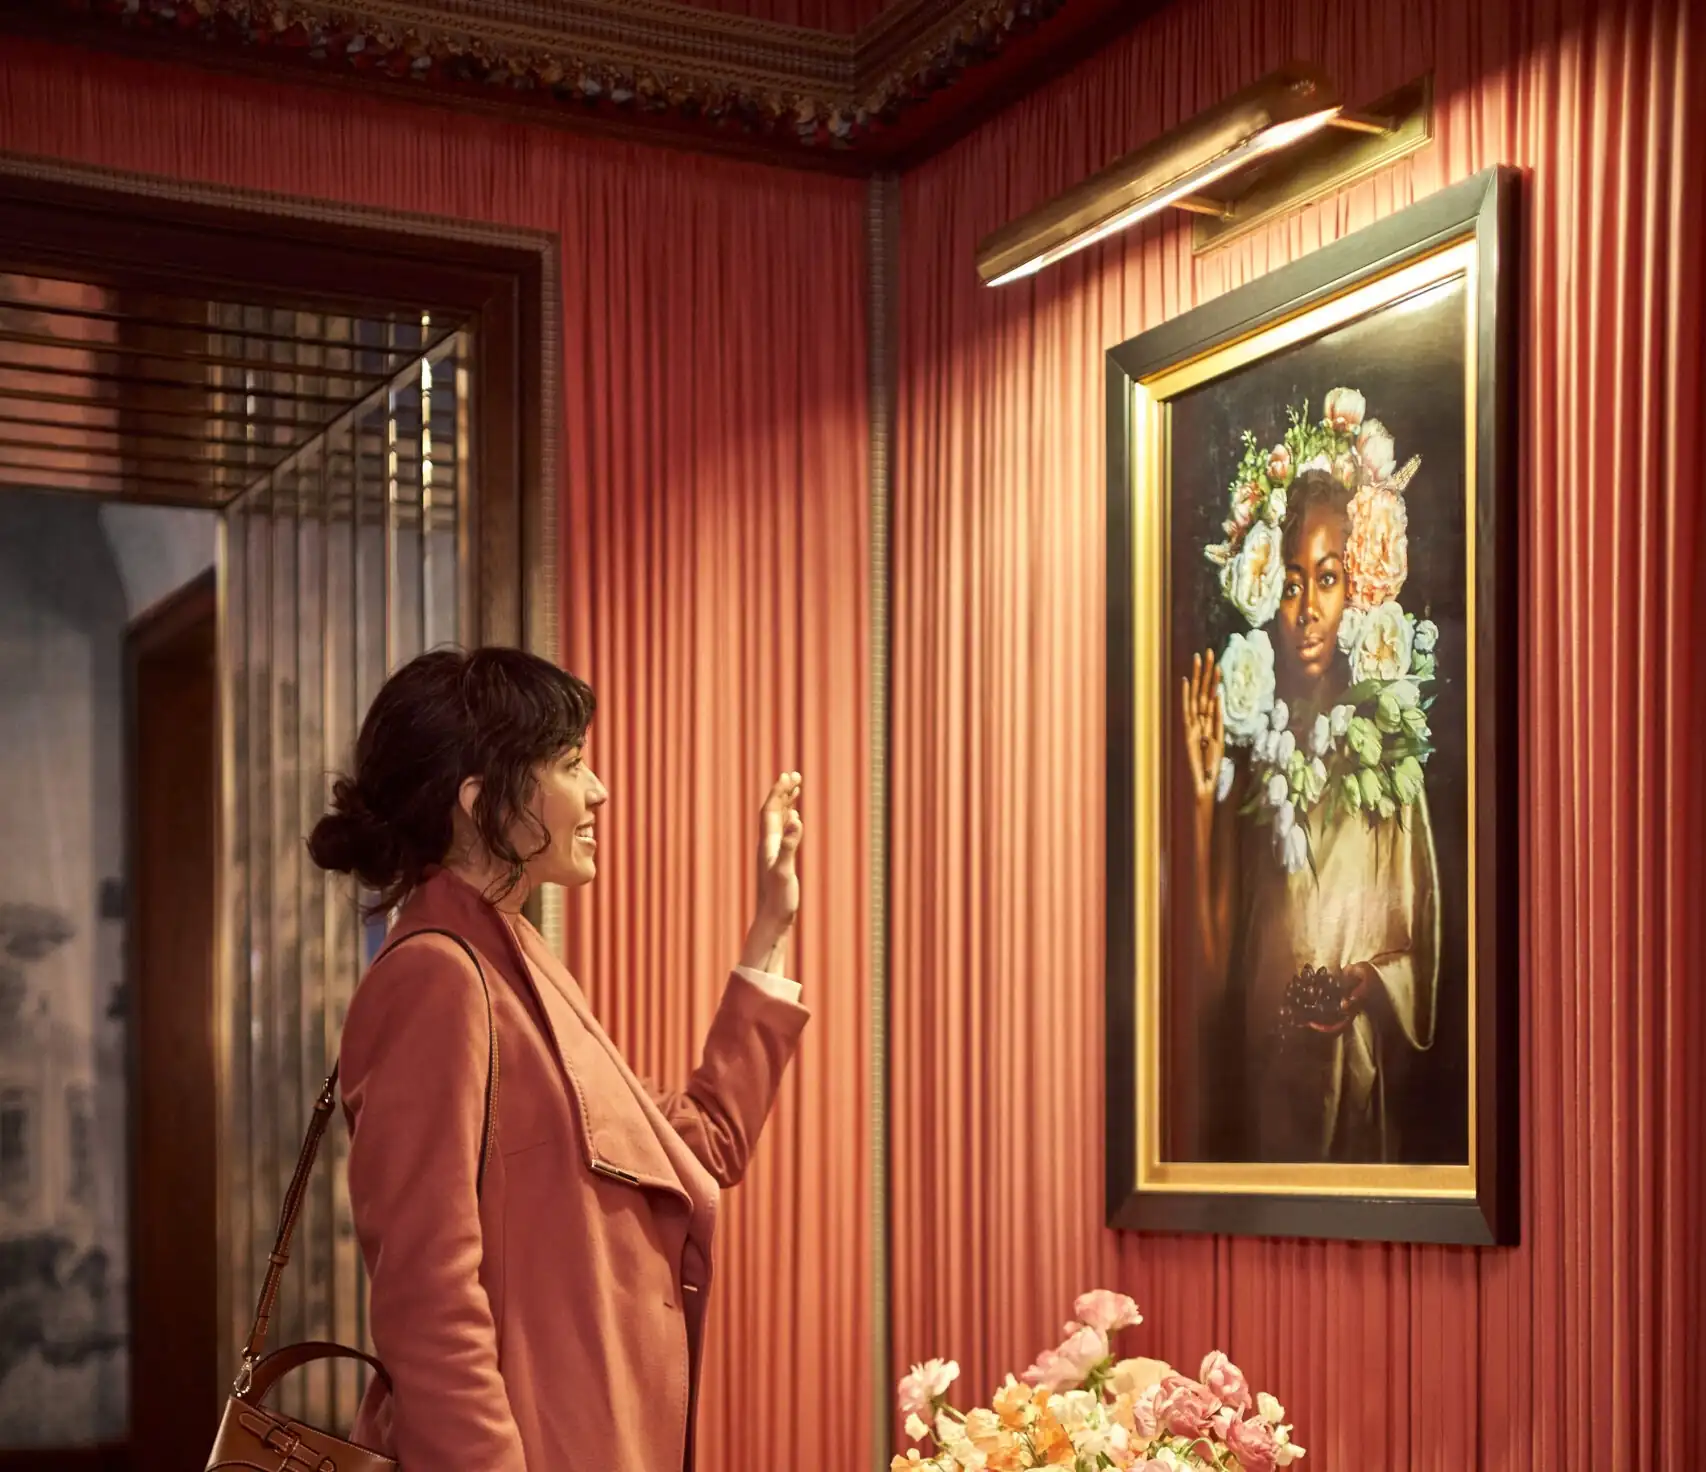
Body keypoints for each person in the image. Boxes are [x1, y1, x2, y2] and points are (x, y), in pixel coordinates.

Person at [305, 645, 808, 1472]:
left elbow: (700, 1146)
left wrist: (771, 928)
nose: (600, 789)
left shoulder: (512, 959)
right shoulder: (438, 976)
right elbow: (428, 1304)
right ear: (480, 803)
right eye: (572, 764)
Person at [1180, 469, 1439, 1163]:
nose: (1308, 610)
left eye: (1326, 579)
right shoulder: (1262, 764)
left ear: (1357, 589)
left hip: (1357, 1100)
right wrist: (1205, 802)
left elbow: (1423, 947)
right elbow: (1215, 969)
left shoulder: (1388, 758)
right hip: (1267, 1104)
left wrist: (1372, 984)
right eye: (1291, 584)